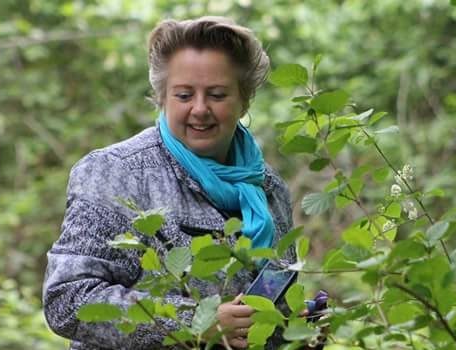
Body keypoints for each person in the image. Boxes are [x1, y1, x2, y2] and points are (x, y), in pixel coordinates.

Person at [42, 16, 296, 349]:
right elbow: (68, 300)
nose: (200, 109)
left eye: (217, 95)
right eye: (184, 95)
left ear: (244, 100)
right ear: (162, 97)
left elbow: (268, 308)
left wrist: (294, 328)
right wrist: (195, 322)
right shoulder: (117, 173)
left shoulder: (269, 189)